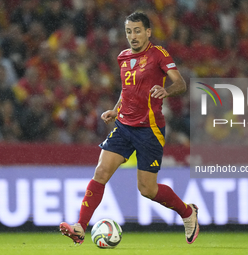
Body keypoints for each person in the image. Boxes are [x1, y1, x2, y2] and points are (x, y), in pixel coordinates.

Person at [59, 12, 199, 245]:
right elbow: (127, 90)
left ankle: (187, 212)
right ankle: (80, 227)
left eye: (137, 31)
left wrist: (166, 91)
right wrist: (115, 110)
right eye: (128, 32)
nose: (132, 36)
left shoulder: (158, 54)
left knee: (147, 188)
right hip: (124, 125)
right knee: (101, 172)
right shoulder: (123, 57)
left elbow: (180, 83)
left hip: (149, 129)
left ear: (148, 32)